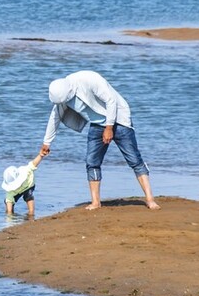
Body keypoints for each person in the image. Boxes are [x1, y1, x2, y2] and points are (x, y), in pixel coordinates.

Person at [39, 70, 160, 210]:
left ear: (69, 91)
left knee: (134, 159)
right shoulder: (61, 94)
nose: (64, 103)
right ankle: (96, 202)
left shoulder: (89, 79)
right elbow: (55, 116)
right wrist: (47, 142)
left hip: (119, 119)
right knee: (92, 162)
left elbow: (111, 100)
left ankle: (150, 200)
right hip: (97, 123)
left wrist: (109, 128)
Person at [2, 148, 47, 217]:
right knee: (8, 205)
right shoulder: (10, 191)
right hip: (15, 192)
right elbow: (9, 204)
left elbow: (34, 164)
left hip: (28, 186)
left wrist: (41, 155)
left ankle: (31, 214)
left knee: (28, 196)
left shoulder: (26, 171)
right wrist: (10, 217)